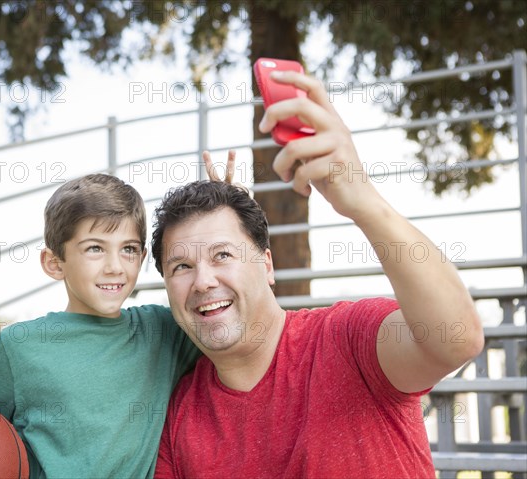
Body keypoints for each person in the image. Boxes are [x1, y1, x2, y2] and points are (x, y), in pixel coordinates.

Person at [151, 70, 484, 478]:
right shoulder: (180, 416)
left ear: (267, 264)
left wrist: (363, 201)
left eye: (223, 255)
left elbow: (457, 339)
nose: (202, 281)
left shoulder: (345, 339)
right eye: (181, 266)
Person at [0, 169, 231, 478]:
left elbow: (239, 314)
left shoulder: (162, 330)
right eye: (95, 248)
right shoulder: (19, 346)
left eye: (128, 249)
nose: (115, 267)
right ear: (54, 263)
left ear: (142, 256)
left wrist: (227, 212)